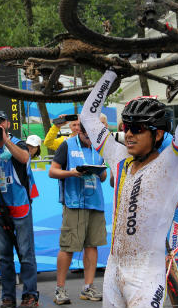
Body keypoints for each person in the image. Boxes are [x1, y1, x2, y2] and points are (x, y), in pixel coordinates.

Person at [80, 53, 178, 308]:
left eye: (137, 129)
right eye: (127, 127)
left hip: (146, 276)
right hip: (113, 271)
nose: (128, 134)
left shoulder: (170, 161)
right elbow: (88, 118)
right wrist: (111, 73)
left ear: (158, 134)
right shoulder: (118, 157)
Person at [49, 121, 107, 305]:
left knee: (92, 245)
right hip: (74, 202)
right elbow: (52, 171)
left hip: (95, 202)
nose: (90, 140)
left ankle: (88, 287)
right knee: (68, 247)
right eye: (86, 136)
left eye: (92, 136)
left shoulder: (99, 146)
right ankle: (60, 289)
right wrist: (72, 173)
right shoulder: (67, 144)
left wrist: (100, 172)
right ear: (79, 131)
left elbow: (103, 177)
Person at [0, 111, 39, 308]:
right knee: (3, 255)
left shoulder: (17, 142)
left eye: (0, 123)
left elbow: (24, 157)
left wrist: (5, 139)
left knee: (26, 253)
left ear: (7, 124)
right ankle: (7, 297)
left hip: (19, 205)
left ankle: (30, 295)